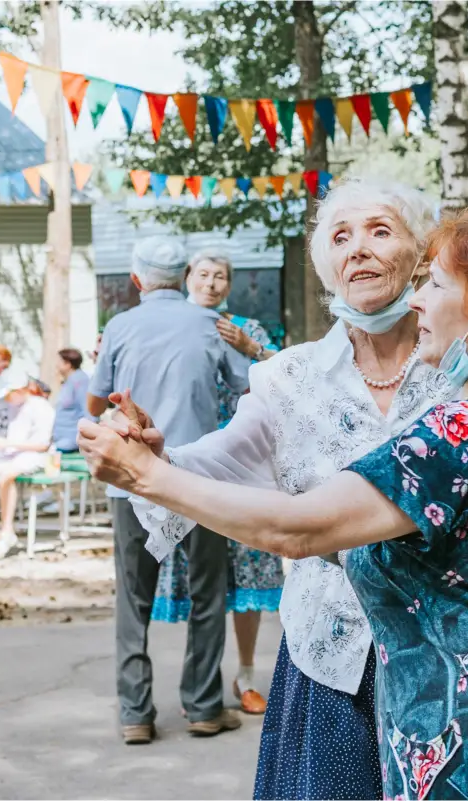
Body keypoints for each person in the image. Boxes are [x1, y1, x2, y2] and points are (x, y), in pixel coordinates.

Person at [79, 205, 468, 800]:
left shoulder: (463, 427)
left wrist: (144, 476)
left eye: (433, 284)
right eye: (341, 237)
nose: (418, 302)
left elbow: (299, 531)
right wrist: (162, 463)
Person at [95, 177, 454, 800]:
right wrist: (161, 458)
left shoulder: (457, 372)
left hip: (444, 656)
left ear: (420, 255)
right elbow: (224, 459)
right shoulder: (291, 377)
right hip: (330, 656)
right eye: (341, 237)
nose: (359, 249)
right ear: (328, 267)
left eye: (380, 230)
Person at [87, 235, 253, 745]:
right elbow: (248, 388)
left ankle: (136, 713)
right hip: (197, 478)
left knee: (133, 598)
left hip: (131, 480)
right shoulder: (210, 324)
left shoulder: (118, 325)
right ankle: (203, 706)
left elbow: (95, 406)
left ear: (137, 279)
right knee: (209, 593)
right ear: (183, 277)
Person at [150, 251, 283, 717]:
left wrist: (251, 348)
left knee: (248, 572)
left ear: (229, 284)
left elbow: (289, 384)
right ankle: (201, 688)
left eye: (220, 276)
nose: (211, 282)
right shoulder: (167, 325)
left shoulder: (245, 328)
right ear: (187, 278)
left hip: (245, 469)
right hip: (191, 461)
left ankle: (245, 674)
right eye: (203, 274)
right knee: (203, 583)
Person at [0, 367, 55, 558]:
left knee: (7, 476)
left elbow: (42, 445)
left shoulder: (41, 407)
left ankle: (6, 530)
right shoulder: (12, 407)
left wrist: (9, 444)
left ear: (20, 390)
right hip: (11, 453)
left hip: (33, 456)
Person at [52, 349, 93, 453]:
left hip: (72, 442)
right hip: (61, 440)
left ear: (68, 364)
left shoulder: (80, 381)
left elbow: (89, 411)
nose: (56, 365)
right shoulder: (69, 381)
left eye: (59, 361)